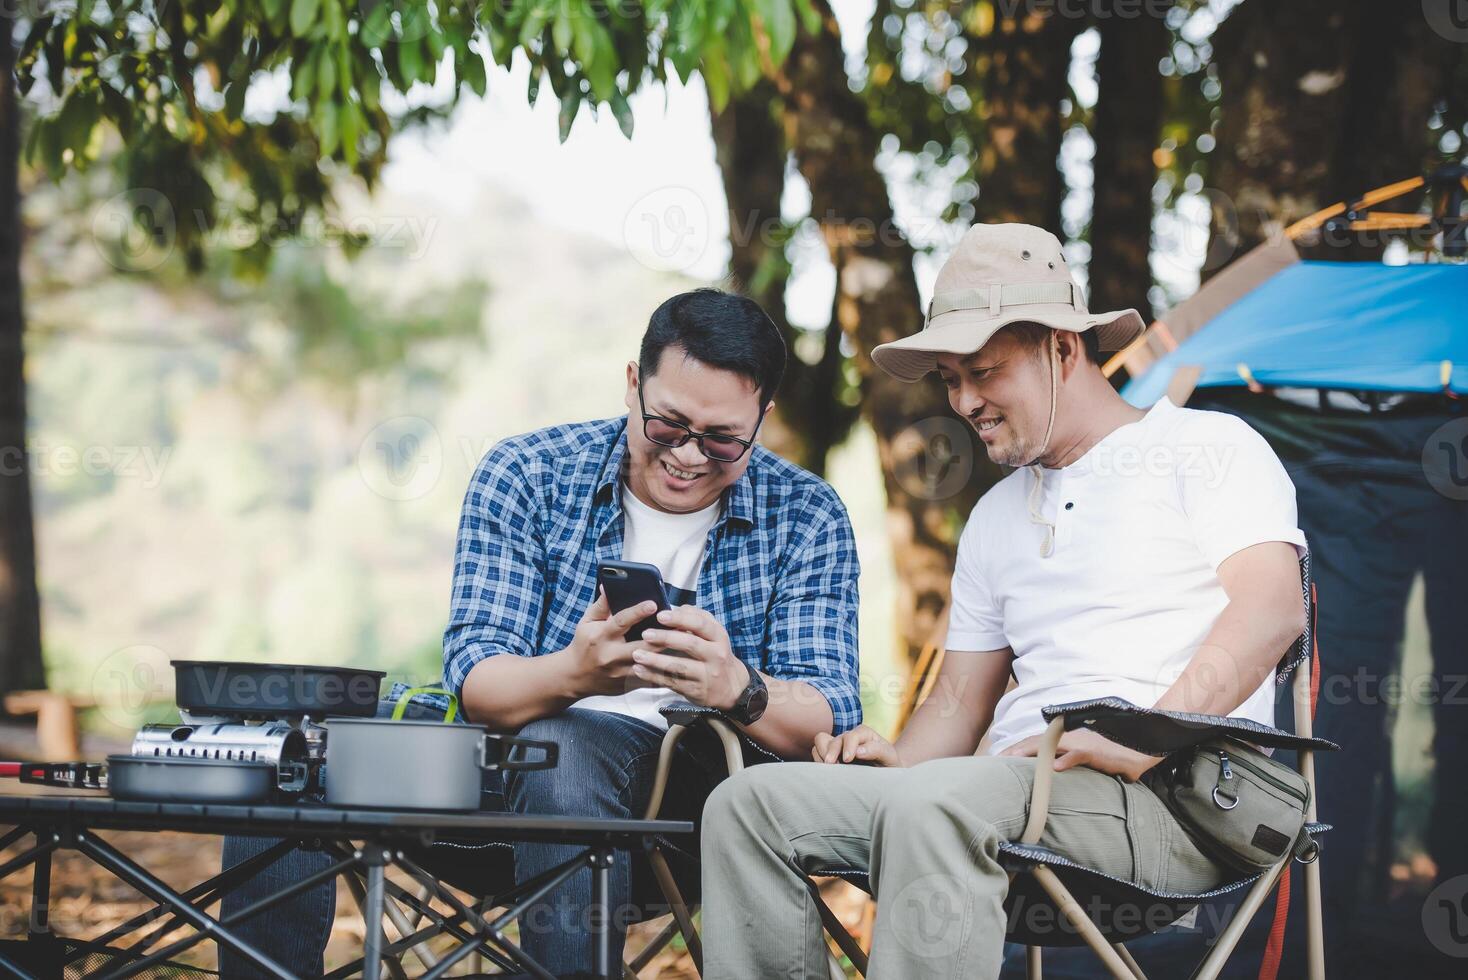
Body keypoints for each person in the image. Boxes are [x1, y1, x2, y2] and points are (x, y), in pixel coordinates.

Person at [699, 223, 1309, 979]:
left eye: (984, 371)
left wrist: (1142, 738)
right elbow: (957, 706)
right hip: (1011, 795)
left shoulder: (1208, 449)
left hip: (1176, 796)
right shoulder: (994, 518)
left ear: (1062, 347)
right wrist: (896, 758)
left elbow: (1273, 610)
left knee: (940, 806)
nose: (964, 401)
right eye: (951, 379)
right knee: (748, 807)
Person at [221, 287, 861, 978]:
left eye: (724, 438)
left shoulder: (807, 514)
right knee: (292, 741)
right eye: (668, 424)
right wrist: (574, 675)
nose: (690, 455)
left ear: (762, 418)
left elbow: (829, 715)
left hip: (691, 820)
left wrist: (738, 687)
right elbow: (477, 681)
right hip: (496, 788)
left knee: (564, 745)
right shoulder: (527, 473)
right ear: (630, 386)